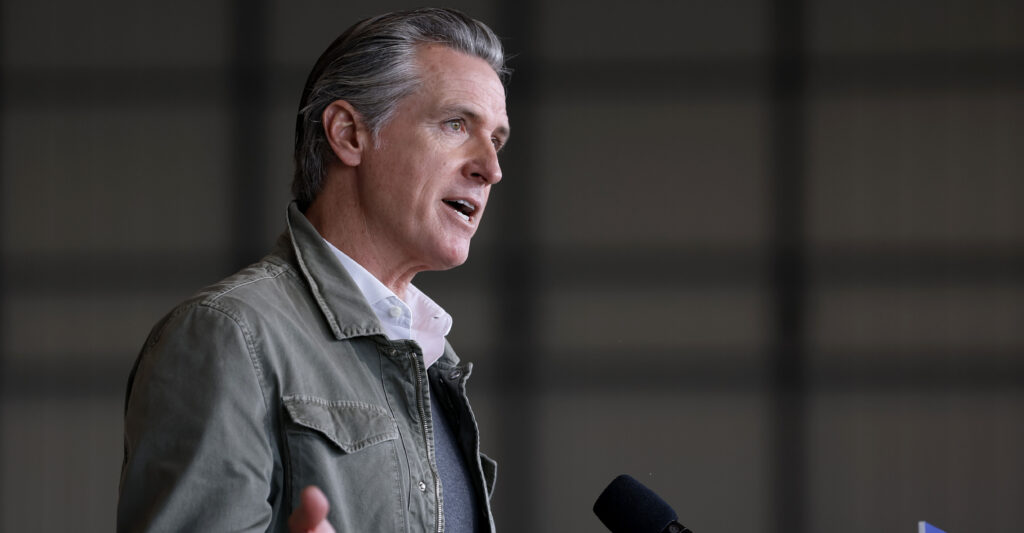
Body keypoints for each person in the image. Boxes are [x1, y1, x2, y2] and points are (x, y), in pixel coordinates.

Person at [117, 8, 510, 532]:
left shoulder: (436, 362)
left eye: (497, 140)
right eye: (456, 124)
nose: (491, 167)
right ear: (349, 134)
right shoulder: (227, 335)